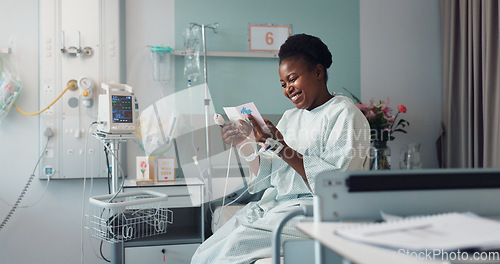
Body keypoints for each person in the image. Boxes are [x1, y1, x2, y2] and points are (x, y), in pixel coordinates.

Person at [191, 33, 370, 264]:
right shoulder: (290, 117)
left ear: (318, 72)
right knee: (205, 251)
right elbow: (266, 174)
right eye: (283, 84)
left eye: (293, 79)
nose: (288, 89)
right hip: (279, 205)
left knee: (233, 247)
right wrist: (243, 144)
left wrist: (281, 147)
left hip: (320, 213)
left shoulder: (344, 114)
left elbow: (337, 185)